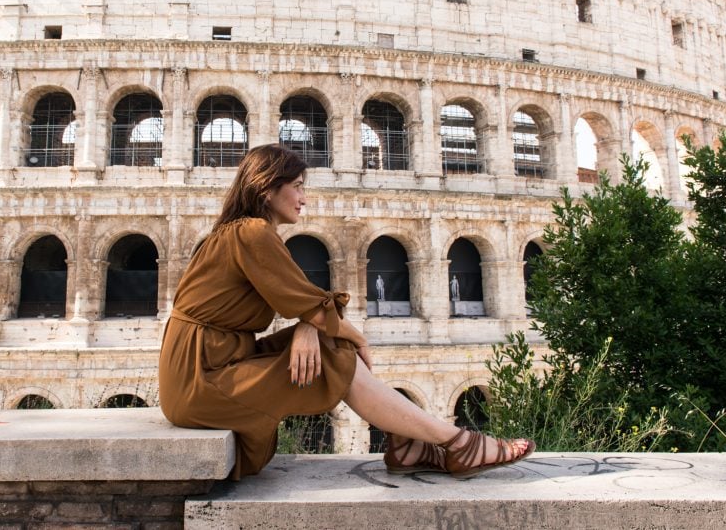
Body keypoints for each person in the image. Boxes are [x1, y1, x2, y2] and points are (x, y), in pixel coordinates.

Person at [158, 144, 534, 480]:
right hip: (202, 376)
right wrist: (354, 335)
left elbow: (309, 304)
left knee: (331, 343)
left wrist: (313, 324)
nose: (304, 197)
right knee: (341, 353)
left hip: (203, 362)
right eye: (298, 186)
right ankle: (456, 443)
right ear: (267, 188)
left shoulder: (235, 231)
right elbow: (313, 306)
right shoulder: (253, 233)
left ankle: (411, 444)